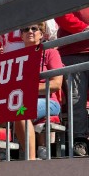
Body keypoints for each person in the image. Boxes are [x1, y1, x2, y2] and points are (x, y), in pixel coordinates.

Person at [14, 23, 64, 160]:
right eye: (25, 29)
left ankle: (30, 160)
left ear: (41, 35)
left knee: (21, 111)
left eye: (34, 28)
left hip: (49, 101)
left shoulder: (50, 52)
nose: (29, 31)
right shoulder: (16, 59)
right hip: (22, 100)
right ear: (21, 36)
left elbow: (56, 84)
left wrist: (28, 90)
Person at [55, 5, 89, 156]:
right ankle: (79, 139)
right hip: (72, 51)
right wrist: (84, 29)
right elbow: (61, 13)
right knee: (75, 100)